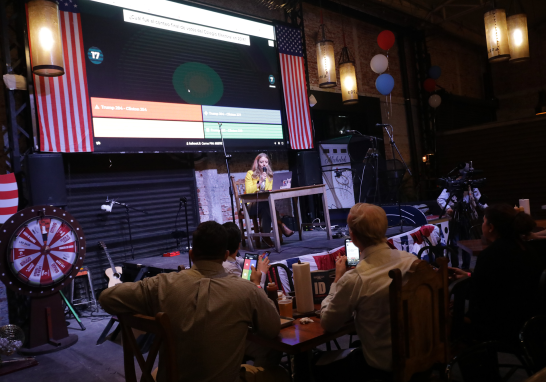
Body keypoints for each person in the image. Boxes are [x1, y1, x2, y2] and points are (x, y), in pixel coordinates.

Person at [99, 221, 280, 382]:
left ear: (192, 255)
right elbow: (272, 329)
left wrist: (148, 315)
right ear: (226, 255)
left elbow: (106, 298)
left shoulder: (160, 285)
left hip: (170, 376)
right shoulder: (246, 290)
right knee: (280, 372)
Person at [320, 203, 417, 379]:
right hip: (419, 358)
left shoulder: (356, 278)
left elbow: (328, 323)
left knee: (318, 365)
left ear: (353, 236)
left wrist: (337, 280)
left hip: (382, 370)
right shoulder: (411, 262)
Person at [449, 204, 544, 343]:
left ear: (491, 227)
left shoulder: (491, 255)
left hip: (500, 326)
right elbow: (500, 282)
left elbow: (478, 295)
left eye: (483, 221)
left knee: (446, 315)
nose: (482, 225)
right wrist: (468, 276)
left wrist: (458, 283)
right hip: (530, 321)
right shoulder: (527, 249)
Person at [437, 163, 487, 270]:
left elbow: (479, 200)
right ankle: (455, 267)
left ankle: (466, 268)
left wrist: (489, 209)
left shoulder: (470, 184)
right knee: (454, 243)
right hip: (455, 216)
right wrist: (448, 209)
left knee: (468, 242)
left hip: (467, 216)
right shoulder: (453, 184)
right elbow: (440, 199)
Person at [245, 153, 294, 248]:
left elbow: (270, 190)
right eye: (261, 162)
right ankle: (281, 224)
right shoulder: (250, 174)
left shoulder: (270, 176)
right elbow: (248, 190)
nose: (264, 164)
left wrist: (281, 186)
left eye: (266, 162)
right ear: (257, 163)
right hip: (251, 205)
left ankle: (265, 235)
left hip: (264, 204)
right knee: (266, 204)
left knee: (265, 205)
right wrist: (259, 182)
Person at [222, 221, 269, 288]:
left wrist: (252, 259)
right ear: (239, 245)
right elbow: (253, 293)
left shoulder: (223, 261)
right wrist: (262, 272)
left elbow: (237, 260)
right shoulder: (231, 270)